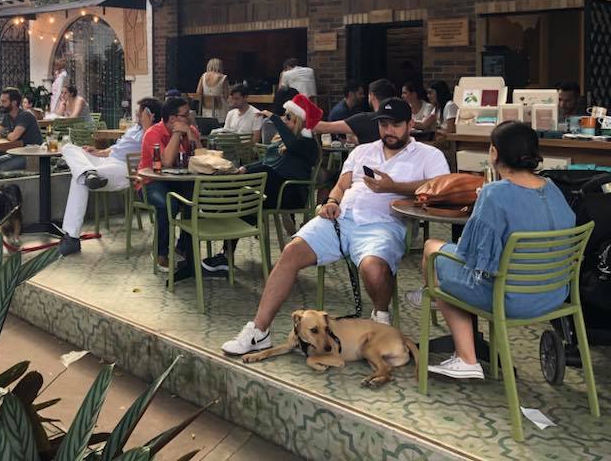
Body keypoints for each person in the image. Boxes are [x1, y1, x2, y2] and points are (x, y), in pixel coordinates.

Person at [221, 98, 449, 355]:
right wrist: (331, 201)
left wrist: (393, 187)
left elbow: (440, 189)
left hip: (383, 224)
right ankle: (258, 331)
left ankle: (380, 322)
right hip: (341, 219)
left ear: (410, 124)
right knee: (291, 252)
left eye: (395, 125)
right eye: (384, 125)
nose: (389, 131)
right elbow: (341, 185)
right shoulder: (363, 151)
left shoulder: (429, 155)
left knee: (374, 269)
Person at [420, 121, 574, 380]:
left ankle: (467, 357)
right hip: (555, 294)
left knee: (432, 254)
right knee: (440, 263)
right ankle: (460, 336)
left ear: (494, 152)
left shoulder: (494, 194)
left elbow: (471, 257)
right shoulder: (553, 188)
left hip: (508, 300)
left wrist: (482, 205)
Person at [203, 93, 321, 275]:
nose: (283, 119)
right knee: (243, 202)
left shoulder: (308, 143)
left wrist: (273, 118)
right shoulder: (283, 140)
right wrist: (245, 168)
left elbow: (291, 147)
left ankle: (218, 204)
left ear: (299, 121)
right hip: (271, 190)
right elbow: (267, 162)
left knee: (254, 185)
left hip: (290, 193)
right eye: (283, 115)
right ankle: (225, 255)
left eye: (287, 116)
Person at [58, 97, 162, 256]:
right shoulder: (134, 129)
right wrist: (98, 152)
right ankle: (88, 172)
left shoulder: (153, 132)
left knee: (78, 179)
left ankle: (71, 237)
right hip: (107, 160)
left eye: (140, 111)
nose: (136, 113)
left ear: (150, 114)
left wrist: (149, 123)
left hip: (123, 168)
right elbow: (116, 148)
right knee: (69, 147)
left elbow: (148, 148)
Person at [138, 95, 203, 275]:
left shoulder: (189, 129)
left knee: (195, 201)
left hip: (177, 181)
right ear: (173, 118)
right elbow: (165, 162)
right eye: (185, 114)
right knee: (169, 204)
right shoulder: (153, 133)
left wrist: (189, 134)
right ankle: (160, 253)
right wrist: (176, 133)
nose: (190, 117)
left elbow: (202, 156)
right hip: (151, 182)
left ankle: (183, 248)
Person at [313, 78, 396, 145]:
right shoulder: (403, 119)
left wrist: (303, 119)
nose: (363, 96)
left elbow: (326, 127)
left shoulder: (364, 119)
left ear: (372, 96)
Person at [0, 87, 44, 171]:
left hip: (32, 155)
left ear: (14, 103)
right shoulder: (8, 115)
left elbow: (13, 137)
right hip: (17, 152)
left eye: (4, 101)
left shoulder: (25, 115)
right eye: (0, 101)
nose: (0, 104)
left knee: (1, 168)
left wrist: (2, 133)